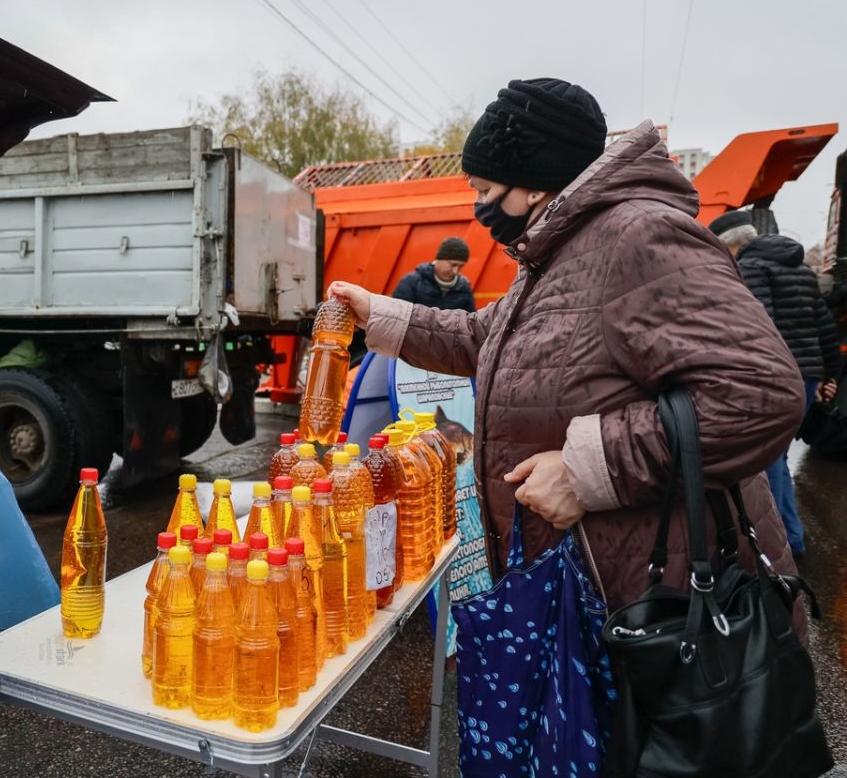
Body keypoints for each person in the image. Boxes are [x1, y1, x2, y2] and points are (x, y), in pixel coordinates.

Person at [328, 77, 804, 620]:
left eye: (486, 190)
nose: (480, 207)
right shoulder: (558, 252)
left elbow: (759, 394)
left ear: (533, 186)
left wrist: (586, 470)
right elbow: (487, 340)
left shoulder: (638, 237)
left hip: (658, 606)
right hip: (597, 587)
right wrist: (383, 315)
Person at [709, 210, 841, 557]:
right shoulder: (799, 269)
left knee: (769, 459)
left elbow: (758, 326)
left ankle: (785, 542)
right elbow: (824, 325)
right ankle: (789, 537)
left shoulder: (751, 268)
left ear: (731, 247)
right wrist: (828, 375)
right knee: (777, 457)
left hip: (777, 375)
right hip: (807, 374)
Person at [392, 236, 477, 311]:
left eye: (460, 266)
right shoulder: (411, 282)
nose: (455, 271)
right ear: (439, 259)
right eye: (453, 264)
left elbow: (470, 323)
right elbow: (397, 316)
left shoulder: (464, 287)